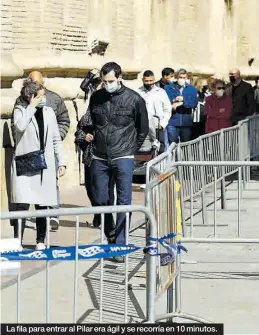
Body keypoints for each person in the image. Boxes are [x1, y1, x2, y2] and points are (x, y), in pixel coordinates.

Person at [86, 62, 149, 262]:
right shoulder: (96, 97)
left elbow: (143, 128)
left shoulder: (134, 99)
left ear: (119, 77)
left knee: (124, 201)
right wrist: (87, 135)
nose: (107, 85)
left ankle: (120, 245)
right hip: (100, 156)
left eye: (111, 81)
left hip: (123, 155)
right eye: (104, 82)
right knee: (101, 200)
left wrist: (131, 150)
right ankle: (111, 234)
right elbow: (89, 123)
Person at [10, 79, 66, 250]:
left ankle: (40, 240)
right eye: (40, 96)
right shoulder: (20, 110)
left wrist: (61, 161)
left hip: (45, 164)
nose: (44, 99)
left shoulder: (49, 112)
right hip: (26, 163)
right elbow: (19, 127)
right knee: (22, 204)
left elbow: (56, 138)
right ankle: (17, 241)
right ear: (31, 96)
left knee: (42, 203)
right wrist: (31, 107)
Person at [75, 82, 115, 228]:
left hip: (109, 156)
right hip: (91, 157)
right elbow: (79, 131)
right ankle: (98, 212)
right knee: (91, 189)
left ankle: (107, 221)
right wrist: (84, 136)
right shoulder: (89, 113)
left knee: (107, 191)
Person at [137, 70, 171, 152]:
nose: (149, 83)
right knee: (145, 150)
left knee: (161, 150)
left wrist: (163, 123)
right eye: (146, 81)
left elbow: (167, 109)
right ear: (142, 80)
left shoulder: (161, 92)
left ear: (154, 79)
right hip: (143, 127)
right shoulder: (138, 92)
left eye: (151, 80)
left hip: (158, 126)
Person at [165, 68, 198, 143]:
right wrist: (174, 100)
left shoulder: (191, 88)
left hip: (186, 122)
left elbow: (194, 103)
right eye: (180, 77)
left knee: (185, 144)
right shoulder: (168, 88)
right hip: (172, 121)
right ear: (176, 77)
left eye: (184, 78)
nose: (182, 79)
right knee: (173, 145)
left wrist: (182, 102)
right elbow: (165, 101)